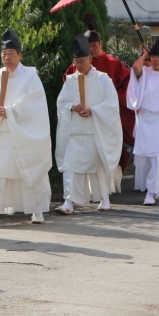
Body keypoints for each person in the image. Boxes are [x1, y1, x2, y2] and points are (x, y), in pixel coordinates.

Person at [0, 29, 51, 227]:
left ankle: (37, 211)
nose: (7, 57)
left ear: (20, 55)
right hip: (1, 131)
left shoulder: (30, 76)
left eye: (11, 53)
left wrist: (11, 111)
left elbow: (34, 103)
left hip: (23, 132)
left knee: (29, 169)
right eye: (4, 54)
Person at [63, 13, 135, 187]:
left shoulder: (113, 63)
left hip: (106, 114)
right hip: (83, 115)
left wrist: (112, 99)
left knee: (109, 148)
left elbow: (127, 84)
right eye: (89, 46)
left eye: (94, 45)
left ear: (101, 44)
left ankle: (107, 187)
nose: (92, 49)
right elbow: (68, 83)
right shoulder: (77, 65)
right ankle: (85, 189)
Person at [54, 34, 122, 214]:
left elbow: (111, 104)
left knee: (98, 166)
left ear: (90, 59)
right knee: (70, 165)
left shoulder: (103, 79)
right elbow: (61, 103)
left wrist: (93, 110)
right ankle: (68, 202)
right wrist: (71, 107)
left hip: (95, 130)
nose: (79, 65)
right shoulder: (70, 81)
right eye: (77, 61)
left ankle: (105, 198)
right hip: (76, 131)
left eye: (83, 60)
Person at [126, 40, 159, 205]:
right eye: (153, 56)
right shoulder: (146, 72)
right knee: (143, 157)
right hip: (144, 120)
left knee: (157, 157)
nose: (156, 59)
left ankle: (152, 192)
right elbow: (135, 68)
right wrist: (144, 54)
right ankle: (148, 187)